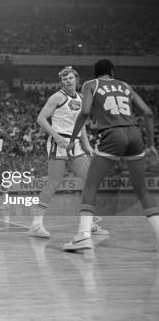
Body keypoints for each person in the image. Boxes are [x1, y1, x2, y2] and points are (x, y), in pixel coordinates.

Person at [63, 59, 159, 252]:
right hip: (134, 134)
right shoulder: (125, 85)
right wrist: (150, 145)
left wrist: (73, 138)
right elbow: (148, 113)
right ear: (112, 72)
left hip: (112, 134)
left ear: (96, 73)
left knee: (91, 184)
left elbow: (85, 112)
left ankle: (83, 236)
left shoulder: (91, 84)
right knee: (142, 190)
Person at [28, 67, 108, 238]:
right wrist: (57, 138)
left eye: (70, 78)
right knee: (53, 183)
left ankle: (88, 222)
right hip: (60, 142)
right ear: (61, 82)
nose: (68, 81)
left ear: (76, 79)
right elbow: (41, 119)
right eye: (65, 79)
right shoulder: (57, 97)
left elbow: (82, 124)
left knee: (90, 180)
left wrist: (86, 145)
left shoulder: (81, 97)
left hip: (77, 143)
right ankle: (36, 225)